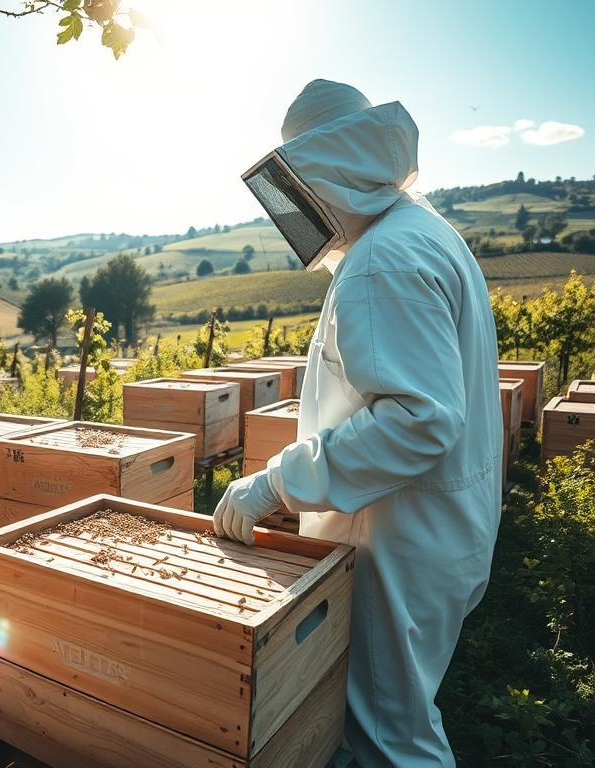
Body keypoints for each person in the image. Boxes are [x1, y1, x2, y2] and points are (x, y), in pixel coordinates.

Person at [213, 80, 502, 767]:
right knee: (380, 721)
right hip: (429, 530)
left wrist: (279, 485)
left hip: (400, 540)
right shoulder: (422, 232)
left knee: (391, 741)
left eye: (298, 183)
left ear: (326, 170)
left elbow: (415, 421)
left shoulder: (384, 260)